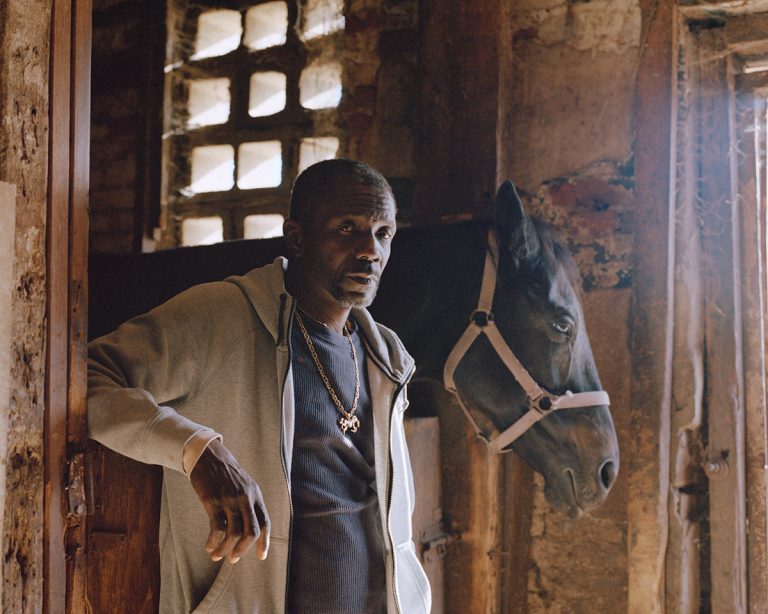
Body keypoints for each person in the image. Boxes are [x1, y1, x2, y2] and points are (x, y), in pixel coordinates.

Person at [87, 159, 431, 613]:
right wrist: (196, 450)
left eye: (383, 233)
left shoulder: (385, 356)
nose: (371, 250)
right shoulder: (222, 316)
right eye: (347, 228)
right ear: (298, 236)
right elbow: (87, 381)